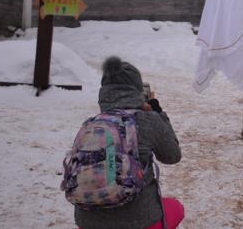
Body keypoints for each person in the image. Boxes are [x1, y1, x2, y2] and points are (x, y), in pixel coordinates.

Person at [74, 57, 183, 229]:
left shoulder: (90, 124)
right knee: (176, 208)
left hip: (88, 223)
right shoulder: (147, 120)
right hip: (140, 221)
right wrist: (158, 114)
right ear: (138, 90)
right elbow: (172, 156)